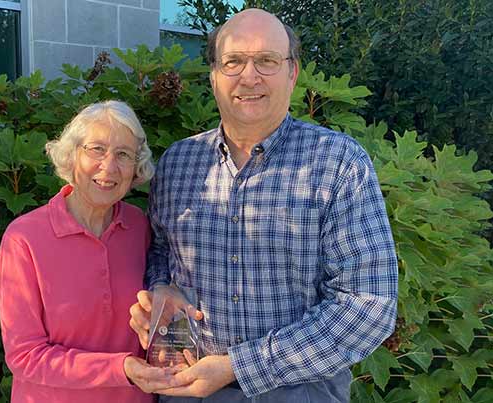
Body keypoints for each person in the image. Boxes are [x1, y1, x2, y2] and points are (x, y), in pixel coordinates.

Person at [129, 9, 398, 403]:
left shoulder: (338, 162)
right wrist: (161, 287)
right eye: (233, 61)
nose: (249, 76)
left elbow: (368, 307)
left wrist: (240, 365)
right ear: (214, 76)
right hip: (186, 390)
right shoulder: (177, 163)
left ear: (292, 73)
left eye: (267, 61)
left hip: (300, 391)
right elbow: (161, 250)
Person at [0, 100, 181, 403]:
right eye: (96, 149)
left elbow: (153, 318)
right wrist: (119, 368)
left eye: (123, 154)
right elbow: (25, 356)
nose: (108, 167)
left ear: (136, 167)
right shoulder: (24, 238)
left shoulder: (139, 227)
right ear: (71, 156)